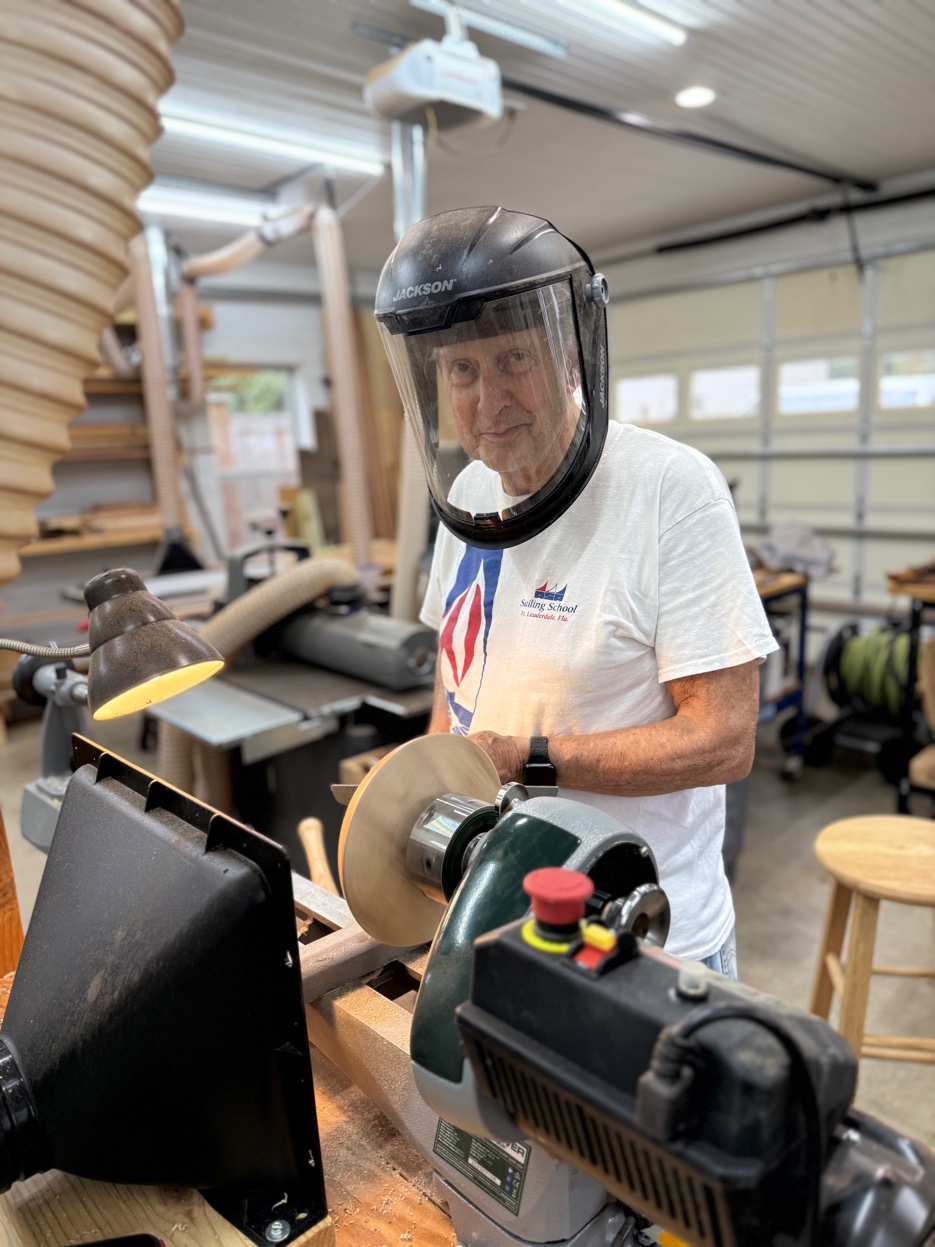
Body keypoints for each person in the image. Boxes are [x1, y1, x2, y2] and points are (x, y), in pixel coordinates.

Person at [374, 206, 777, 975]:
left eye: (515, 359)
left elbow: (724, 739)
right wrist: (431, 780)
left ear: (572, 355)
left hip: (644, 941)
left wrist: (522, 759)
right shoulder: (468, 488)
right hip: (496, 918)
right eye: (463, 370)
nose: (489, 401)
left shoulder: (669, 489)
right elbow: (456, 675)